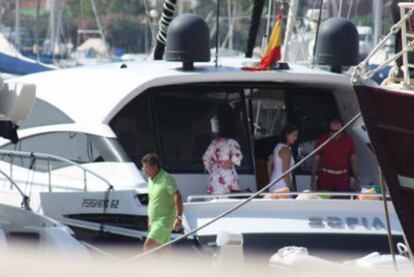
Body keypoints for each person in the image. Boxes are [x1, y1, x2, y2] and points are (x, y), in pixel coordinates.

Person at [141, 153, 183, 252]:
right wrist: (150, 221)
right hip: (154, 222)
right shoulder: (150, 180)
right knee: (166, 251)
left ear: (155, 167)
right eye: (143, 168)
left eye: (147, 168)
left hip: (163, 222)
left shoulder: (166, 178)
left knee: (148, 246)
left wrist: (179, 217)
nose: (145, 171)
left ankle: (143, 267)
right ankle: (171, 267)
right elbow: (152, 201)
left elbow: (177, 196)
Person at [311, 118, 360, 192]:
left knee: (344, 202)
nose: (335, 133)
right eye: (332, 131)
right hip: (325, 178)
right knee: (324, 202)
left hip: (343, 179)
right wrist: (313, 180)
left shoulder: (349, 140)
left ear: (342, 129)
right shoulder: (322, 141)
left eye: (337, 131)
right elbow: (315, 161)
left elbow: (353, 160)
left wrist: (357, 178)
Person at [202, 104, 243, 194]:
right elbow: (237, 156)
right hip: (228, 176)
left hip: (215, 177)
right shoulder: (232, 142)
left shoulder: (214, 142)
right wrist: (230, 162)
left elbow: (205, 158)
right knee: (230, 199)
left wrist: (212, 168)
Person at [266, 124, 299, 198]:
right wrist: (289, 186)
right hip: (282, 185)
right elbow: (285, 171)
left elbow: (269, 163)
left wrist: (271, 180)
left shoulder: (277, 147)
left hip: (274, 181)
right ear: (287, 135)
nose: (296, 138)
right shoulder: (286, 150)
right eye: (294, 135)